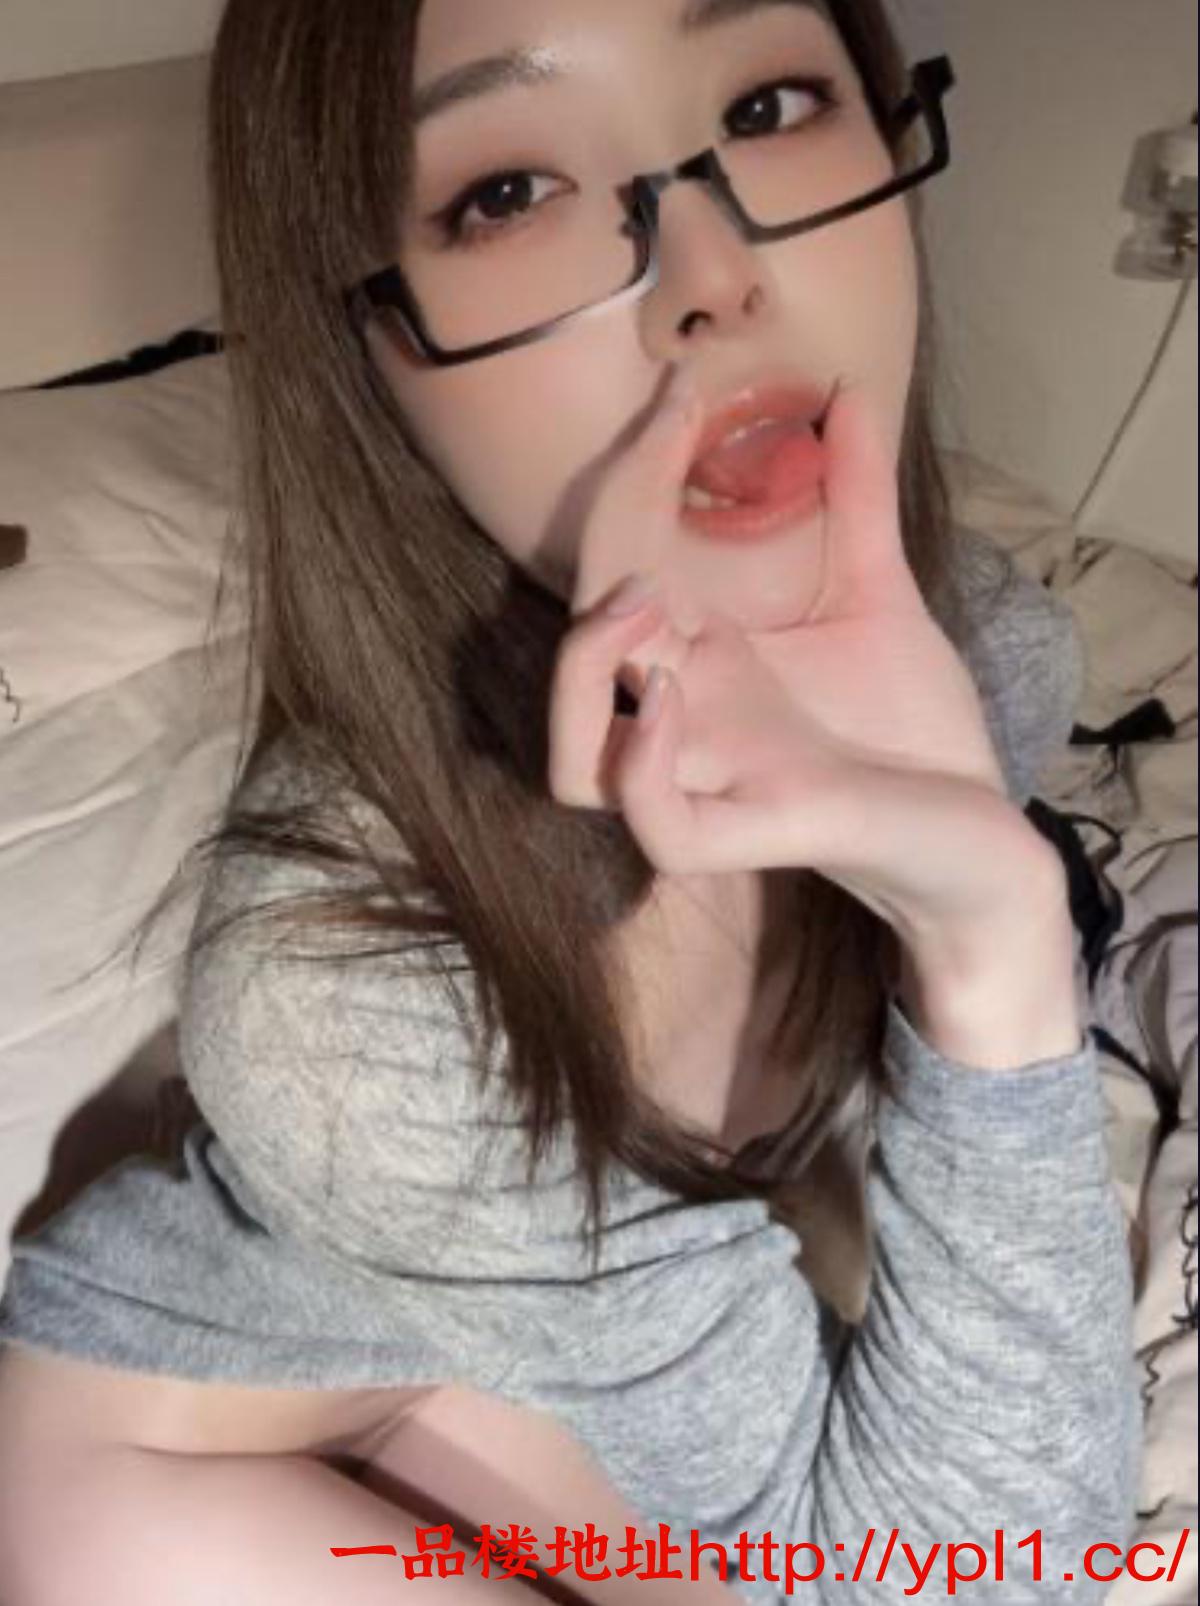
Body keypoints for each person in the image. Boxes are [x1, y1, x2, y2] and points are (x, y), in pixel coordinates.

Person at [0, 1, 1140, 1602]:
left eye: (769, 104)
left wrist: (987, 926)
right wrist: (993, 940)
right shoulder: (347, 982)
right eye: (509, 194)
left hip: (571, 1339)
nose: (714, 275)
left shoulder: (1000, 651)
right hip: (203, 1427)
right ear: (371, 355)